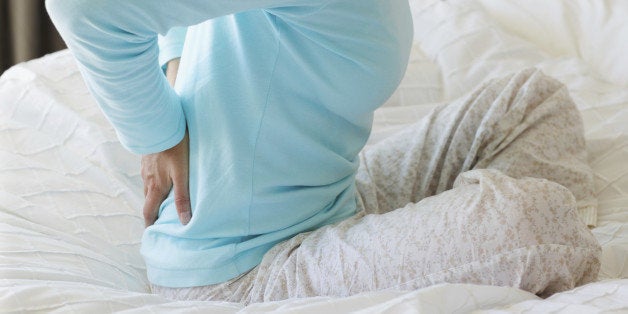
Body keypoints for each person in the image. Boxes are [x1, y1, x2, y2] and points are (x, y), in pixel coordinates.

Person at [47, 0, 601, 304]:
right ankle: (459, 245)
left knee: (531, 100)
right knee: (538, 220)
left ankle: (440, 245)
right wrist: (157, 135)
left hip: (330, 198)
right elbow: (82, 8)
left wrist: (175, 60)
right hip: (242, 271)